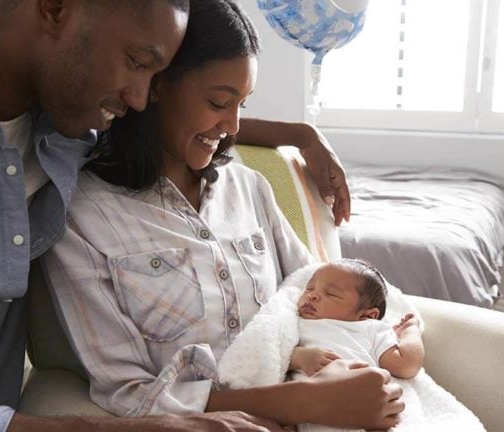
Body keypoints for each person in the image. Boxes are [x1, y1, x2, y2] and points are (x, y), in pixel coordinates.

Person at [0, 0, 352, 431]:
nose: (139, 98)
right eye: (137, 62)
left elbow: (179, 115)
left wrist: (300, 134)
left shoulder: (70, 101)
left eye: (153, 76)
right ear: (53, 7)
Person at [40, 1, 403, 430]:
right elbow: (128, 392)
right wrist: (303, 403)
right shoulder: (84, 215)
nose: (232, 126)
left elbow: (315, 290)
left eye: (242, 106)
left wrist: (358, 364)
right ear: (155, 85)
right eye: (218, 102)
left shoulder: (247, 187)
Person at [290, 259, 425, 381]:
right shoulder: (292, 320)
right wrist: (299, 358)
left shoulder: (370, 328)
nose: (312, 295)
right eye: (309, 288)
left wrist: (410, 330)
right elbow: (274, 354)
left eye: (331, 293)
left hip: (361, 399)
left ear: (366, 315)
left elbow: (406, 366)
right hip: (306, 401)